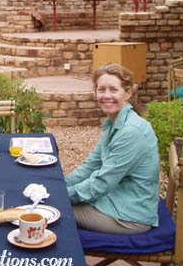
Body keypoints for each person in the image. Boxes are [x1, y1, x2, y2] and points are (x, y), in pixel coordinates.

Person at [65, 63, 159, 234]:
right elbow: (91, 165)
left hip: (130, 216)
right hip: (114, 200)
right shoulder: (112, 123)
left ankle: (66, 259)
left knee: (54, 211)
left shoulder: (131, 131)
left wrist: (61, 195)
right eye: (102, 90)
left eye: (113, 90)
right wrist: (61, 185)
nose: (106, 95)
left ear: (128, 93)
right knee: (56, 203)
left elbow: (102, 182)